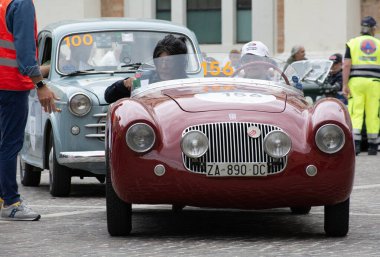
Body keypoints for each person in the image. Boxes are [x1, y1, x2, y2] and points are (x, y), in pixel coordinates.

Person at [0, 0, 59, 221]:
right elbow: (25, 51)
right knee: (9, 144)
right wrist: (40, 85)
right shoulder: (21, 3)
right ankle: (11, 202)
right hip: (10, 85)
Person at [104, 34, 188, 103]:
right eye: (160, 61)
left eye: (169, 61)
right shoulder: (145, 78)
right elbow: (108, 97)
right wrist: (124, 84)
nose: (163, 66)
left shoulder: (188, 86)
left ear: (179, 63)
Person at [342, 16, 380, 156]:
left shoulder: (352, 43)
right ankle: (373, 146)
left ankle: (356, 146)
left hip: (356, 82)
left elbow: (346, 64)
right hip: (375, 83)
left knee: (355, 112)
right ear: (373, 29)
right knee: (373, 113)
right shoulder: (379, 43)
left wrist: (344, 84)